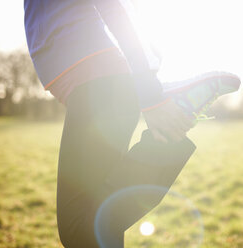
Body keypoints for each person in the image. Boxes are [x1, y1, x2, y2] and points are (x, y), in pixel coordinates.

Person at [24, 1, 196, 247]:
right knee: (99, 222)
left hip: (100, 81)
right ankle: (168, 140)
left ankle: (168, 139)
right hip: (94, 81)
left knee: (78, 227)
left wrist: (149, 88)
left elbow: (115, 7)